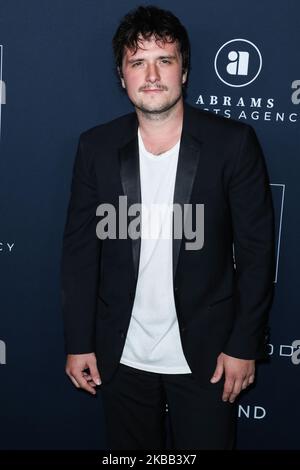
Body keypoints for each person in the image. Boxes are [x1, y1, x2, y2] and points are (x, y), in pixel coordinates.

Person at [61, 5, 275, 450]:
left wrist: (243, 344)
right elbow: (81, 253)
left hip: (209, 357)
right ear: (122, 76)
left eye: (165, 59)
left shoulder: (232, 144)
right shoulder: (96, 147)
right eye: (138, 62)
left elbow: (257, 255)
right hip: (122, 355)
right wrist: (79, 341)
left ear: (185, 71)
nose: (152, 74)